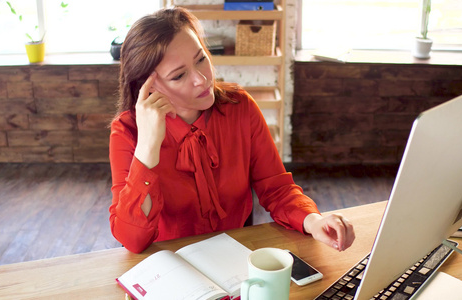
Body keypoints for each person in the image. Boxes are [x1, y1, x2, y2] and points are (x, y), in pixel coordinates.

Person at [109, 7, 355, 254]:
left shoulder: (240, 107)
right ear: (149, 88)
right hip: (170, 267)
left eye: (201, 59)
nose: (202, 79)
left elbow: (276, 189)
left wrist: (314, 221)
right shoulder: (127, 131)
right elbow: (132, 240)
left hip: (236, 258)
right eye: (179, 75)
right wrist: (148, 148)